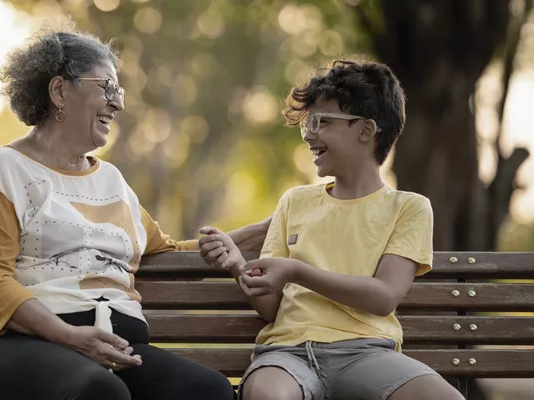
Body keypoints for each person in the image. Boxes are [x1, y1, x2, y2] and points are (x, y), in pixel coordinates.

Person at [0, 24, 268, 400]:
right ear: (59, 91)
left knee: (208, 391)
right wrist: (68, 336)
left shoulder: (113, 182)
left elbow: (163, 251)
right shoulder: (5, 168)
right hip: (15, 343)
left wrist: (270, 226)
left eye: (119, 91)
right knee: (99, 391)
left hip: (115, 349)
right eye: (107, 87)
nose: (118, 102)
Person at [198, 60, 465, 400]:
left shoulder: (409, 208)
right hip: (287, 354)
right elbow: (270, 308)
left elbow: (384, 296)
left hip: (368, 353)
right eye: (308, 123)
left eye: (321, 122)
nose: (309, 134)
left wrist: (296, 270)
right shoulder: (295, 201)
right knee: (268, 396)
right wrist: (238, 265)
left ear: (366, 131)